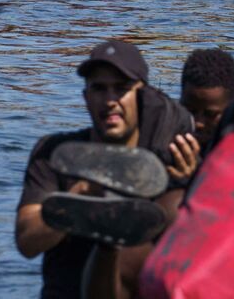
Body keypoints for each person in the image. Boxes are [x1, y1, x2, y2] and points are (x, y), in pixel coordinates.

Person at [14, 41, 195, 299]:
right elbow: (27, 242)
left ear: (142, 96)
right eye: (99, 88)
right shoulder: (56, 153)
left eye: (121, 89)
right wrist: (87, 191)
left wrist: (190, 184)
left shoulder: (166, 159)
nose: (110, 100)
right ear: (85, 97)